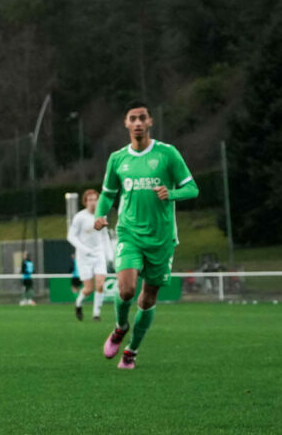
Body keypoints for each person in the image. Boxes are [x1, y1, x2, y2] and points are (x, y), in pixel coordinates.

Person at [98, 101, 198, 370]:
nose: (138, 122)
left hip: (162, 238)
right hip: (129, 233)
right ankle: (120, 328)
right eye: (133, 118)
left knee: (147, 299)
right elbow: (108, 193)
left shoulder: (167, 154)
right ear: (126, 123)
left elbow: (192, 189)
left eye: (143, 117)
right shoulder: (118, 159)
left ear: (150, 122)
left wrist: (172, 193)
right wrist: (100, 214)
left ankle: (131, 351)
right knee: (127, 289)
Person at [68, 189, 114, 321]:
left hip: (98, 254)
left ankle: (96, 314)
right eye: (90, 200)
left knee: (100, 285)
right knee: (88, 289)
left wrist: (109, 254)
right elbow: (71, 237)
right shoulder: (79, 217)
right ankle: (78, 304)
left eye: (95, 199)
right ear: (85, 202)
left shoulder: (101, 216)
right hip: (84, 257)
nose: (93, 202)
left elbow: (105, 237)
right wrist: (84, 249)